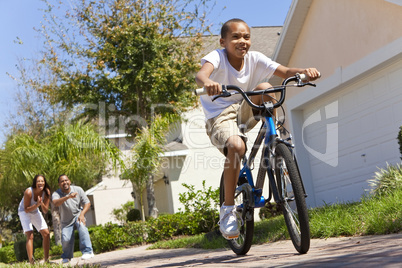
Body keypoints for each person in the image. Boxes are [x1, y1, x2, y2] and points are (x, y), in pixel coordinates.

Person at [195, 18, 320, 239]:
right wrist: (208, 83)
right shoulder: (217, 57)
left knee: (265, 87)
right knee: (236, 146)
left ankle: (275, 142)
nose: (242, 41)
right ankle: (228, 211)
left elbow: (286, 70)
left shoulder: (255, 59)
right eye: (235, 37)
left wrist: (305, 71)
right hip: (219, 114)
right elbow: (201, 75)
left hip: (244, 106)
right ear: (223, 41)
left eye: (246, 37)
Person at [52, 174, 94, 263]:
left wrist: (82, 214)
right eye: (62, 181)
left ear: (69, 181)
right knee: (66, 239)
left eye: (66, 180)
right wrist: (68, 197)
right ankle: (67, 256)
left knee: (82, 227)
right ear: (59, 184)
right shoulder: (56, 193)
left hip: (78, 215)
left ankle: (88, 251)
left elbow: (87, 203)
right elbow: (55, 203)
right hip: (66, 221)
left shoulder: (78, 189)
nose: (65, 182)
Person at [18, 174, 51, 264]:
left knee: (46, 234)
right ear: (35, 183)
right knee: (30, 235)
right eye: (38, 181)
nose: (40, 183)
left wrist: (41, 204)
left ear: (45, 182)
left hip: (35, 211)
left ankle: (46, 260)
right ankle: (31, 262)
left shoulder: (46, 192)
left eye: (42, 181)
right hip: (24, 212)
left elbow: (45, 210)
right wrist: (36, 205)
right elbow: (26, 209)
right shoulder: (29, 192)